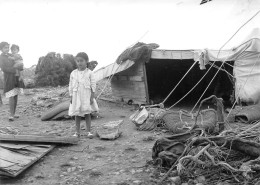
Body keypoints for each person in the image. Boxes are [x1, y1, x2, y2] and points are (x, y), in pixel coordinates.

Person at [68, 52, 96, 138]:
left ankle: (89, 132)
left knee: (87, 113)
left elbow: (93, 85)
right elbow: (70, 85)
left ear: (86, 61)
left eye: (81, 61)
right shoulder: (73, 73)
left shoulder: (90, 73)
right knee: (77, 113)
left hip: (86, 95)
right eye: (77, 61)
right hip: (76, 95)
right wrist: (71, 95)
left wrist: (92, 97)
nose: (79, 63)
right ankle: (77, 132)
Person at [0, 42, 23, 121]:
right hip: (9, 78)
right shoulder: (1, 57)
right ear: (1, 49)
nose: (7, 49)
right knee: (11, 95)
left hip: (16, 77)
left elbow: (19, 63)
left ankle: (14, 112)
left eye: (7, 47)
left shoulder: (11, 55)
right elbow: (4, 68)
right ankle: (11, 114)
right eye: (5, 47)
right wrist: (14, 70)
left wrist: (20, 68)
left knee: (16, 95)